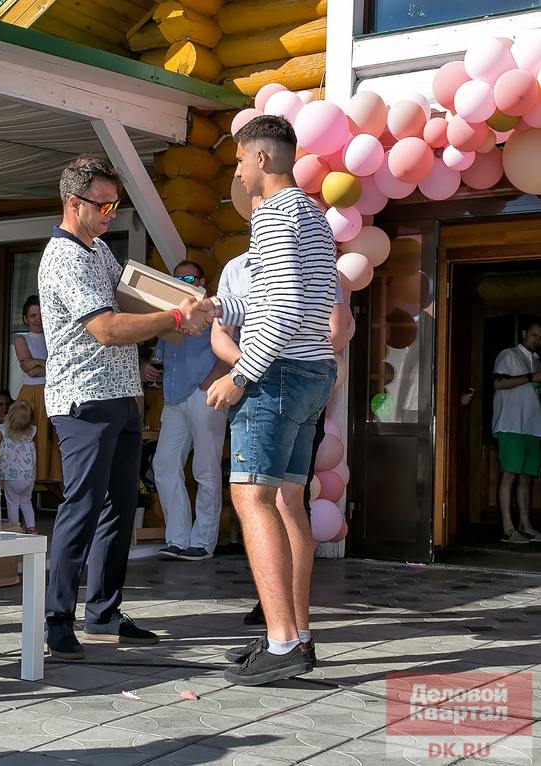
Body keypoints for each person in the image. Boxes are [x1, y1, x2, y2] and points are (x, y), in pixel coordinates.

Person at [38, 154, 211, 660]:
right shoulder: (65, 256)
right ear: (74, 203)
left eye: (117, 202)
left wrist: (180, 301)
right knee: (83, 508)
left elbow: (127, 301)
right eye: (105, 203)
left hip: (120, 398)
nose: (112, 211)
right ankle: (55, 622)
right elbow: (107, 328)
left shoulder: (98, 250)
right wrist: (177, 317)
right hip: (83, 401)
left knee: (119, 510)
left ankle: (103, 614)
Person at [205, 116, 337, 685]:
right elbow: (286, 303)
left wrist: (241, 375)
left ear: (260, 158)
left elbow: (280, 311)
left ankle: (282, 645)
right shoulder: (313, 215)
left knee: (251, 499)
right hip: (310, 372)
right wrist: (214, 311)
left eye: (238, 160)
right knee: (287, 501)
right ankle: (295, 632)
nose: (236, 171)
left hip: (277, 375)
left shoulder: (277, 215)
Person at [214, 249, 350, 627]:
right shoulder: (236, 266)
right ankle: (289, 626)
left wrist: (248, 373)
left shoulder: (314, 261)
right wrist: (246, 364)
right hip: (280, 380)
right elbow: (219, 331)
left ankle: (284, 637)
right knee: (282, 500)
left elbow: (336, 330)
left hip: (279, 384)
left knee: (263, 498)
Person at [140, 260, 228, 563]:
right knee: (164, 464)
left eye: (189, 277)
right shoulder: (171, 316)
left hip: (205, 396)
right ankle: (177, 539)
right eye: (177, 278)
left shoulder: (215, 310)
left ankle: (202, 542)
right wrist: (150, 369)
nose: (183, 281)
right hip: (174, 398)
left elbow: (231, 346)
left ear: (202, 281)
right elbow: (162, 358)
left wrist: (212, 378)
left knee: (205, 469)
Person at [491, 318, 541, 544]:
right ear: (523, 333)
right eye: (534, 335)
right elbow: (498, 383)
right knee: (509, 474)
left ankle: (525, 525)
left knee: (526, 478)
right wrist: (531, 378)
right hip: (510, 424)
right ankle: (508, 528)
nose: (537, 340)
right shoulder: (509, 355)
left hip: (533, 427)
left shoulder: (538, 361)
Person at [13, 295, 63, 485]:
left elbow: (40, 366)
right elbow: (30, 371)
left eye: (41, 314)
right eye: (33, 315)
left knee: (52, 444)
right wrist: (51, 365)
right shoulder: (21, 339)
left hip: (52, 393)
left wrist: (37, 363)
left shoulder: (55, 338)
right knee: (31, 441)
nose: (38, 319)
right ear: (26, 318)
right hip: (31, 395)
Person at [0, 400, 38, 533]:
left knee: (12, 503)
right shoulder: (31, 432)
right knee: (26, 501)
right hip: (28, 476)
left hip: (11, 476)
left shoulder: (3, 430)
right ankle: (31, 527)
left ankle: (14, 527)